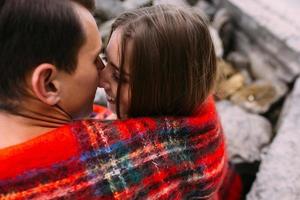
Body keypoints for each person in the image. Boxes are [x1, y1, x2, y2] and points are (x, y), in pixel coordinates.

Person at [0, 1, 240, 199]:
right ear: (48, 84)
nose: (102, 76)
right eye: (96, 59)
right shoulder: (119, 165)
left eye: (116, 73)